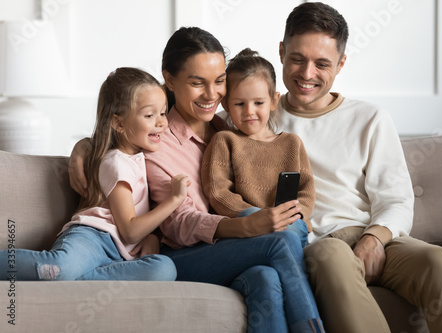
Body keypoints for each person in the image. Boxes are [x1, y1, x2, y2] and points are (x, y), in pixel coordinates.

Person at [69, 28, 324, 333]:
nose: (212, 95)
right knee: (280, 242)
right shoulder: (154, 140)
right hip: (183, 254)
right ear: (170, 80)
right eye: (196, 83)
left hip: (230, 250)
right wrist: (85, 145)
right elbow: (177, 220)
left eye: (219, 82)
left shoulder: (225, 129)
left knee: (265, 278)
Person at [275, 2, 442, 333]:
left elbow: (396, 198)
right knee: (332, 257)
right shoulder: (255, 116)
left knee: (437, 261)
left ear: (341, 64)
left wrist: (375, 238)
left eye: (322, 64)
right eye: (298, 59)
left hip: (369, 235)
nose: (307, 74)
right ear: (281, 52)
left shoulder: (370, 119)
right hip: (318, 244)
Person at [0, 67, 186, 281]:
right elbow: (130, 231)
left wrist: (152, 238)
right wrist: (174, 199)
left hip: (120, 254)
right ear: (118, 123)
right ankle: (68, 276)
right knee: (56, 268)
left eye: (163, 113)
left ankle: (78, 280)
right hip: (93, 238)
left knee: (163, 269)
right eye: (149, 115)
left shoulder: (140, 155)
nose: (162, 122)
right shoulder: (116, 162)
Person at [201, 48, 315, 248]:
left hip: (287, 222)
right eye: (239, 104)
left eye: (258, 102)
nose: (249, 112)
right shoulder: (224, 140)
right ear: (226, 105)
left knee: (294, 228)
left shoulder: (292, 143)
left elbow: (305, 190)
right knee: (277, 228)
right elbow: (218, 193)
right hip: (247, 225)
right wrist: (259, 218)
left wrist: (297, 214)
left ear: (273, 101)